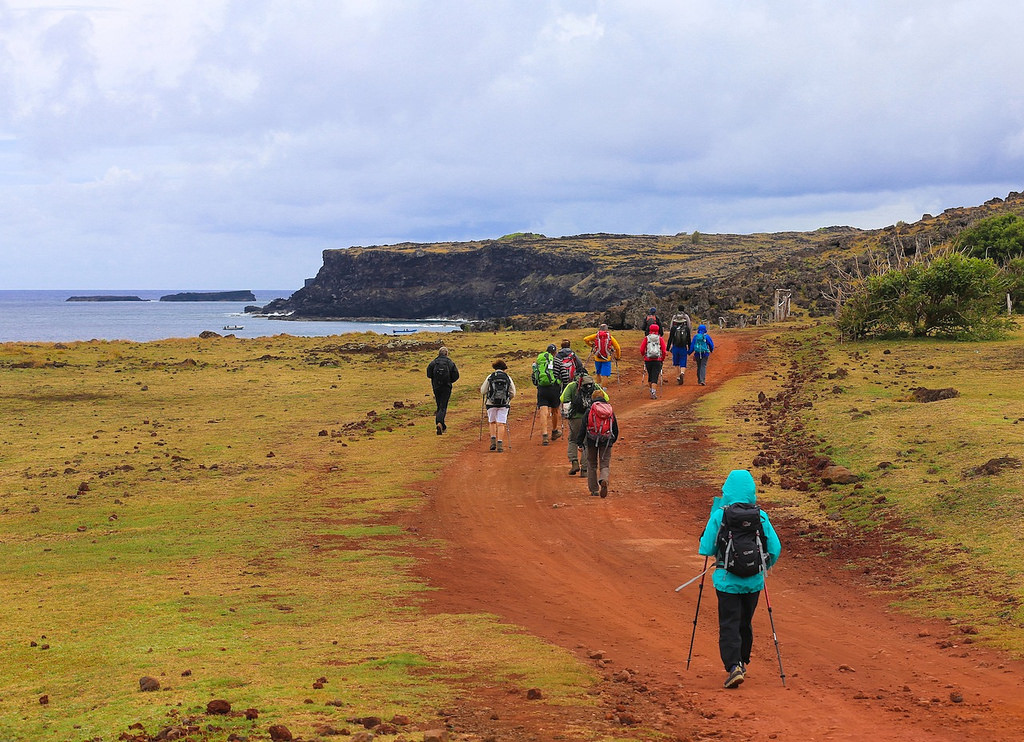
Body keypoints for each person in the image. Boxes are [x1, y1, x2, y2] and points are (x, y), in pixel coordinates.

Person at [698, 469, 782, 689]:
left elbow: (706, 548)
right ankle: (742, 661)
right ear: (751, 490)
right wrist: (763, 567)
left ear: (727, 489)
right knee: (745, 622)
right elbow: (775, 547)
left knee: (729, 624)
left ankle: (733, 665)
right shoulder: (760, 516)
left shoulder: (720, 515)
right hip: (754, 582)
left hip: (727, 581)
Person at [559, 374, 609, 477]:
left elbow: (563, 398)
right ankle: (585, 470)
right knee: (587, 443)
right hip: (591, 418)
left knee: (572, 439)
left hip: (575, 418)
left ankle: (574, 462)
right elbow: (606, 397)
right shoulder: (594, 385)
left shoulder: (572, 385)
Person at [573, 388, 619, 497]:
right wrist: (612, 440)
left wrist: (580, 443)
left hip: (591, 439)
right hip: (607, 440)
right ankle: (603, 479)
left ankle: (594, 489)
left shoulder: (590, 410)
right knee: (604, 464)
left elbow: (583, 428)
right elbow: (615, 428)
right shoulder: (609, 410)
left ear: (592, 398)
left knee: (591, 464)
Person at [480, 360, 516, 453]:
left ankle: (493, 442)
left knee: (492, 422)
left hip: (491, 403)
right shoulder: (507, 377)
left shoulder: (490, 377)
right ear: (504, 368)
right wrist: (508, 399)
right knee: (501, 423)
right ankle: (500, 443)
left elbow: (483, 391)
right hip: (504, 403)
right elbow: (513, 392)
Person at [533, 343, 563, 445]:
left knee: (543, 411)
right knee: (555, 410)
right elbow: (565, 375)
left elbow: (534, 377)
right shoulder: (558, 361)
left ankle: (545, 435)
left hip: (542, 388)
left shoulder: (540, 361)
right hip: (554, 388)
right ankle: (554, 431)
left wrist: (538, 384)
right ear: (555, 353)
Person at [426, 346, 459, 435]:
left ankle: (441, 425)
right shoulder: (450, 362)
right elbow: (456, 375)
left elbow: (428, 374)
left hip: (436, 387)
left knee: (439, 405)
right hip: (446, 387)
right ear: (446, 354)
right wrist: (449, 381)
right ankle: (440, 423)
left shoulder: (434, 362)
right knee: (443, 406)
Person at [639, 323, 667, 399]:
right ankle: (653, 392)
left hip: (648, 359)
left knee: (650, 375)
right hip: (657, 360)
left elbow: (641, 349)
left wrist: (644, 355)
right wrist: (663, 358)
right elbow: (664, 350)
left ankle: (651, 390)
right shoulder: (660, 338)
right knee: (655, 376)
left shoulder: (646, 338)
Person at [666, 307, 692, 385]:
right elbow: (689, 338)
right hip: (683, 347)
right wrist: (690, 348)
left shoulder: (674, 327)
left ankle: (678, 376)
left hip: (675, 347)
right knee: (683, 361)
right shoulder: (686, 327)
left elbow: (670, 338)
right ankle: (682, 373)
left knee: (676, 362)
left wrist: (667, 348)